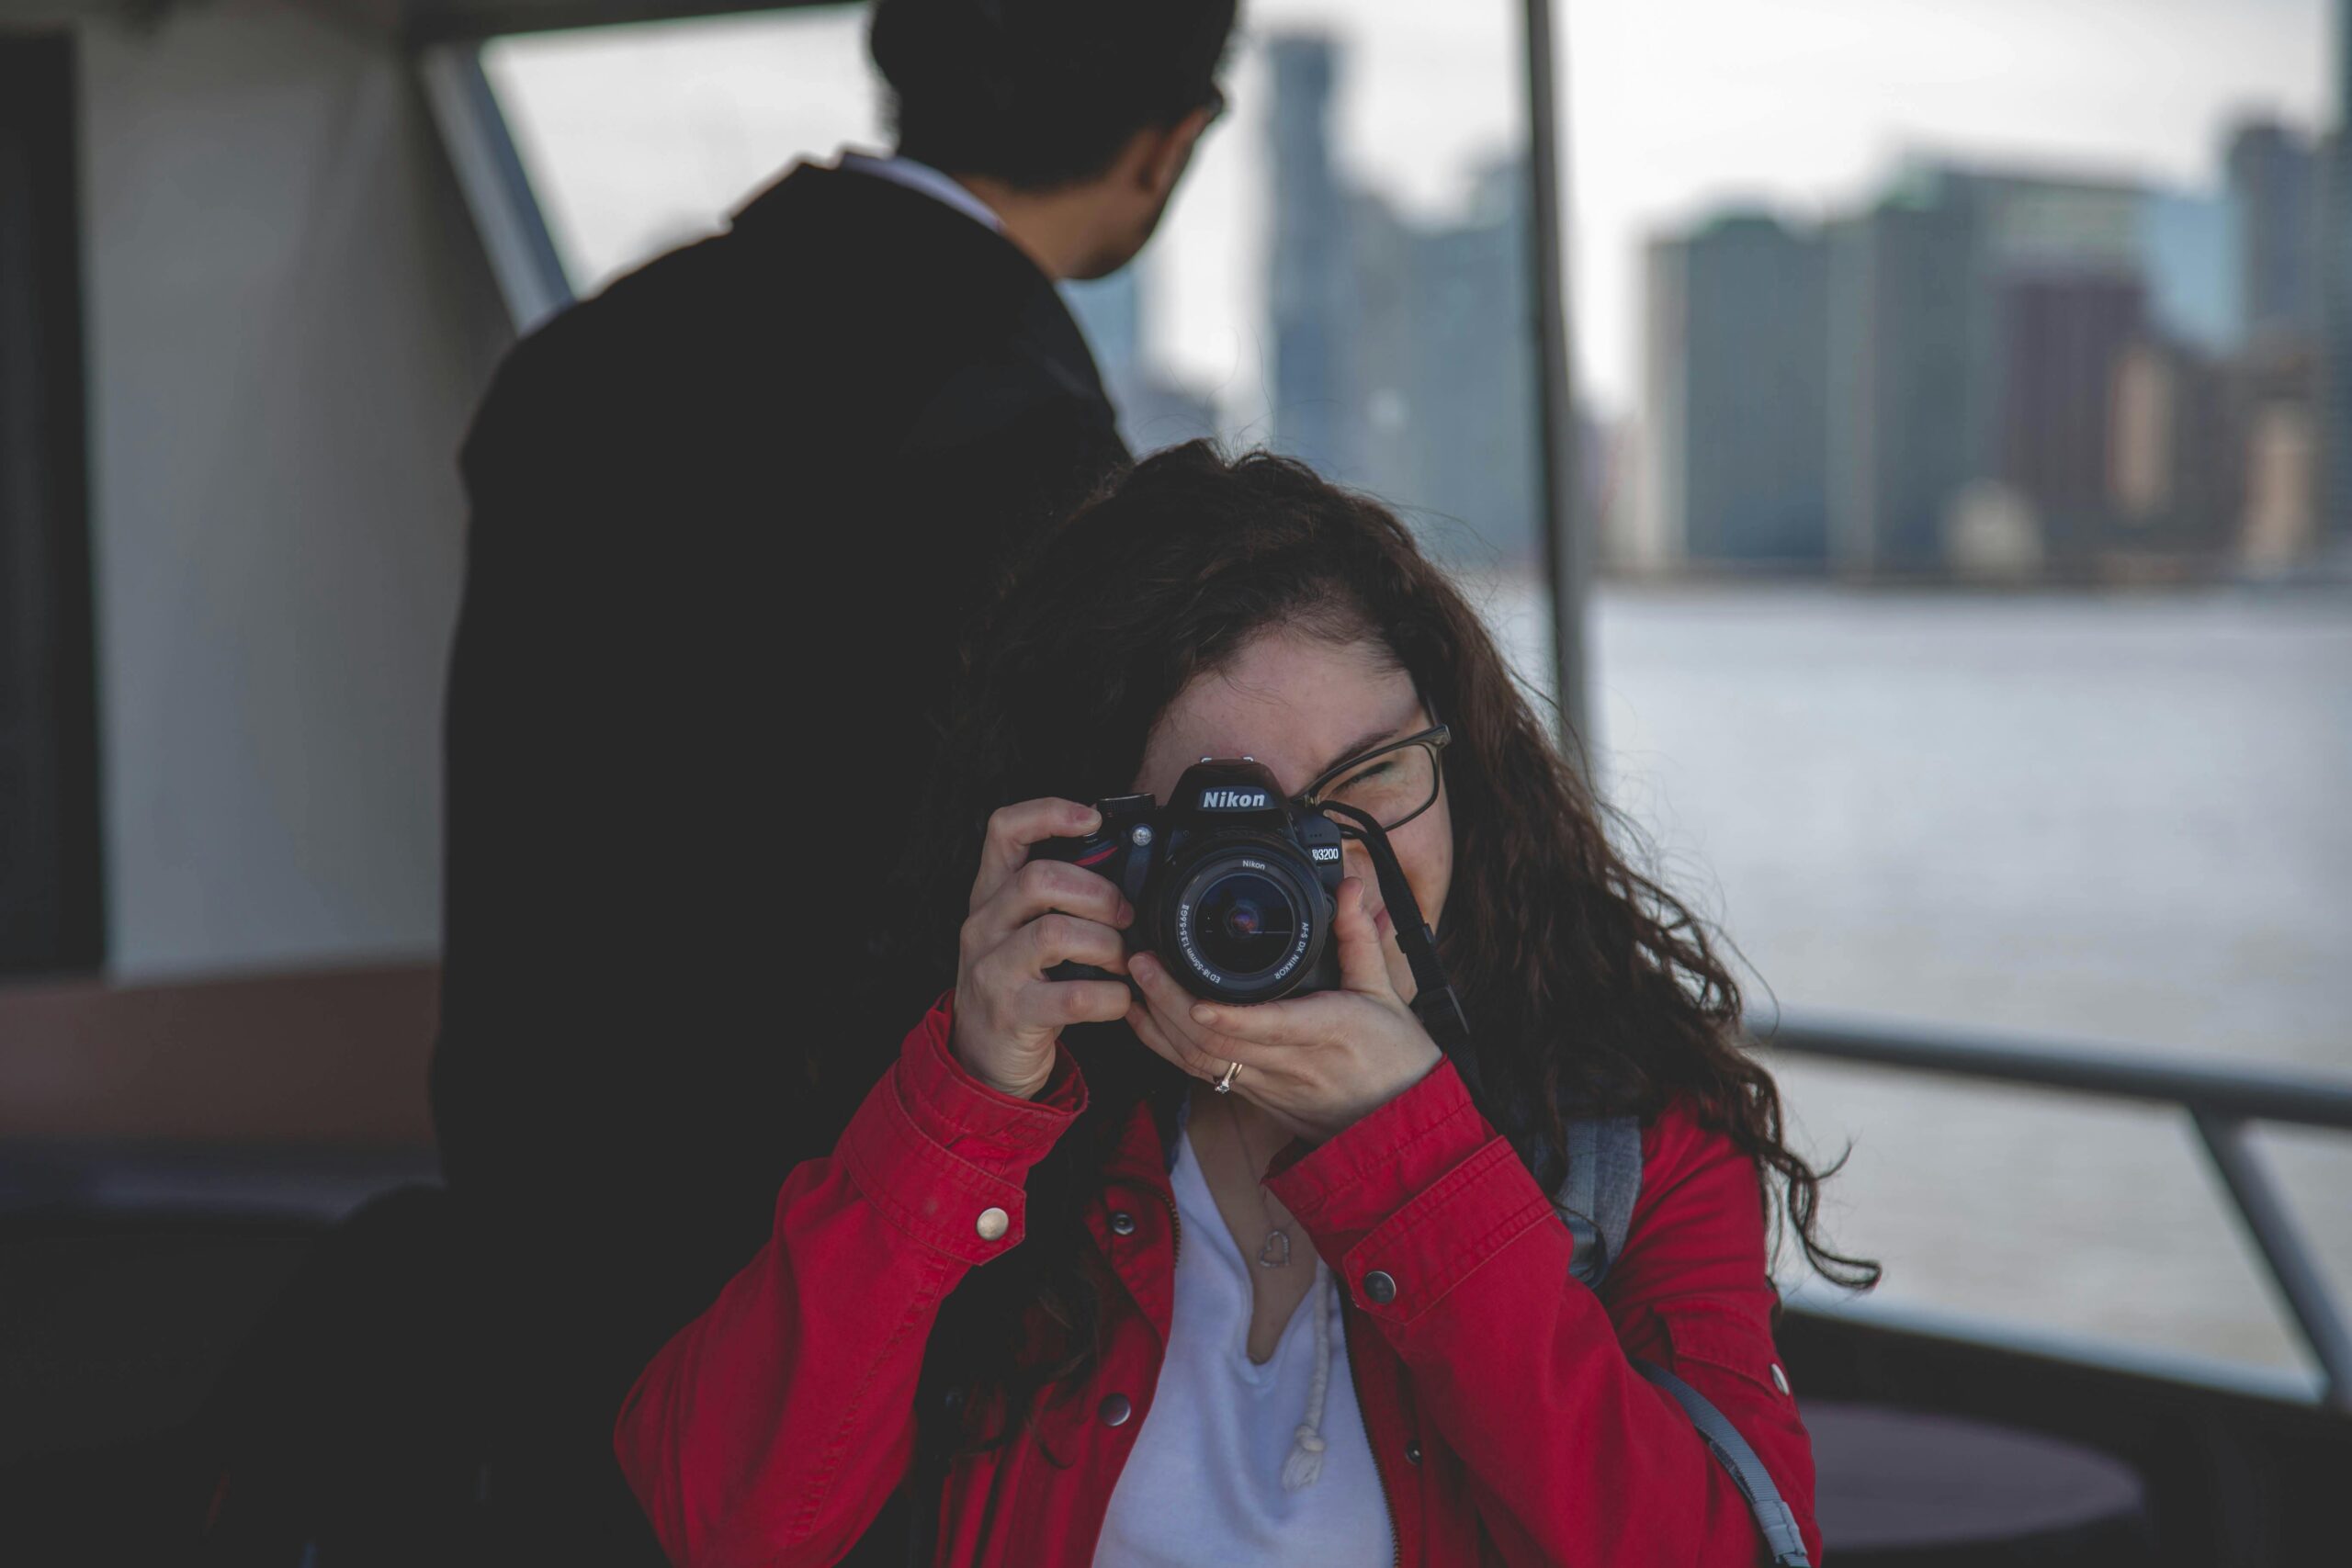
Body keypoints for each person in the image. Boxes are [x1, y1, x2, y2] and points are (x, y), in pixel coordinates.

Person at [612, 443, 1879, 1566]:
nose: (1312, 864)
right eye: (1238, 825)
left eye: (1372, 775)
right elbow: (723, 1530)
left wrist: (1411, 1151)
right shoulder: (995, 1111)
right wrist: (964, 1107)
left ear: (1464, 762)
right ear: (1091, 840)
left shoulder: (1634, 1135)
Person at [432, 2, 1238, 1555]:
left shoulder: (581, 360)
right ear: (1169, 146)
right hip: (842, 1295)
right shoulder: (1020, 434)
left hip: (542, 1231)